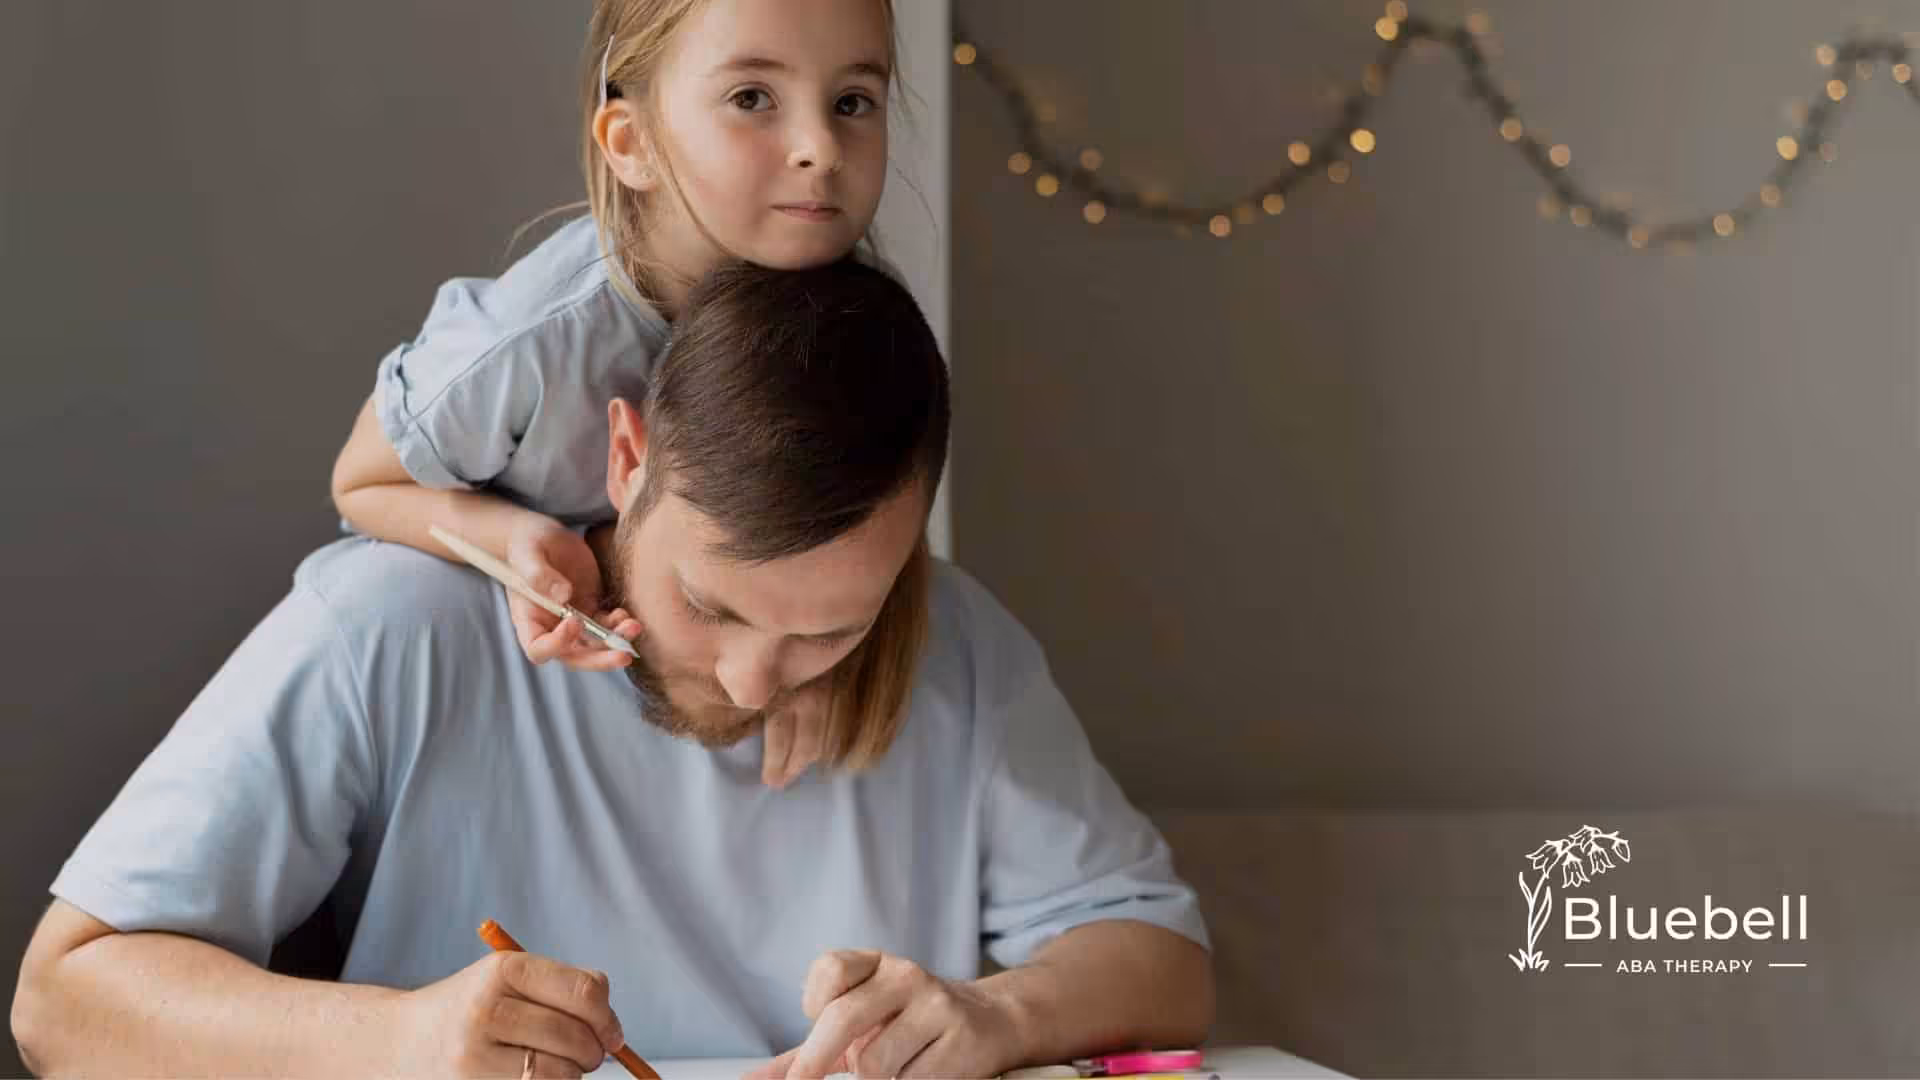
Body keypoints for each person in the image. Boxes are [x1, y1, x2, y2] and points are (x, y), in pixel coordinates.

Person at [12, 260, 1214, 1080]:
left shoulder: (956, 645)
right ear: (626, 454)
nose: (754, 684)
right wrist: (398, 1043)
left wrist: (996, 1014)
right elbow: (60, 1003)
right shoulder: (399, 625)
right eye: (711, 603)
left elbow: (1164, 964)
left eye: (830, 631)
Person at [333, 0, 907, 789]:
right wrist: (516, 542)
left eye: (853, 102)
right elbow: (361, 482)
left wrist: (814, 665)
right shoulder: (526, 348)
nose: (821, 150)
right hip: (515, 694)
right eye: (752, 98)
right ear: (630, 143)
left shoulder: (852, 330)